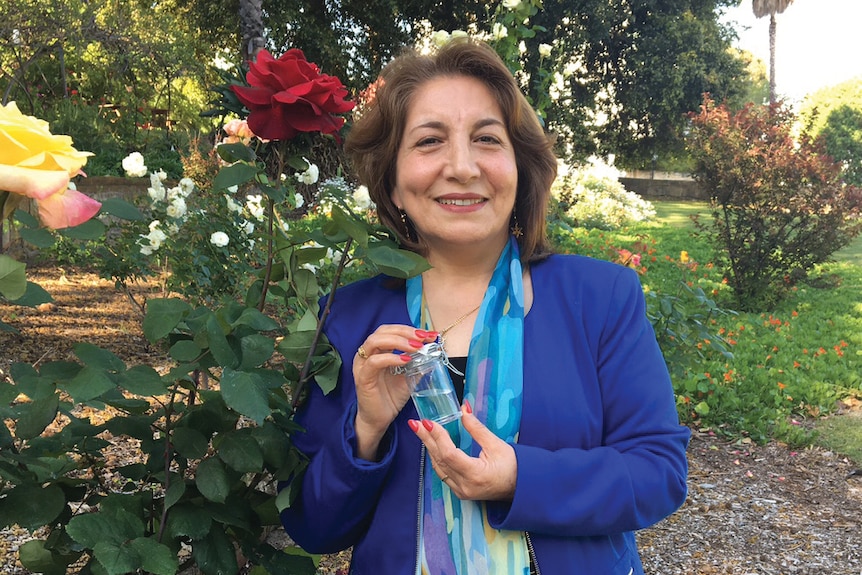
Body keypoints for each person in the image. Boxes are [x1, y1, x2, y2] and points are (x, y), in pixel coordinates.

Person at [279, 38, 690, 575]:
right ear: (393, 184)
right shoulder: (349, 320)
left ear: (519, 169)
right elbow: (313, 527)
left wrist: (521, 478)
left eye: (486, 139)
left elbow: (658, 472)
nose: (462, 166)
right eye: (429, 141)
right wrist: (365, 430)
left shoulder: (600, 299)